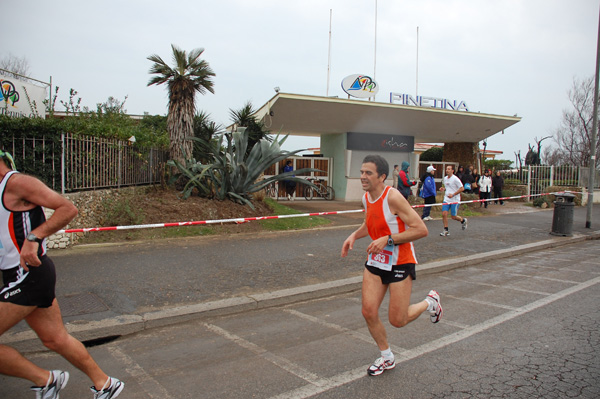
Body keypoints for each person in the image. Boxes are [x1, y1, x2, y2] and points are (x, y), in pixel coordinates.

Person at [0, 149, 124, 399]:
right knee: (55, 339)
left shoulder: (17, 183)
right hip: (21, 276)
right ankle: (105, 384)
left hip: (29, 274)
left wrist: (35, 237)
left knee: (55, 338)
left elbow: (67, 208)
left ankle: (45, 379)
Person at [341, 155, 442, 377]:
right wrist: (354, 236)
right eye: (362, 172)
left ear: (382, 177)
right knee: (368, 311)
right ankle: (387, 357)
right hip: (376, 261)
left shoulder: (393, 197)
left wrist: (387, 240)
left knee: (398, 320)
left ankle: (430, 302)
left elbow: (421, 229)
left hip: (400, 261)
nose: (362, 177)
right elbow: (370, 223)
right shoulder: (367, 198)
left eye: (368, 173)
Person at [439, 165, 468, 236]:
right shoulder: (445, 178)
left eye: (449, 169)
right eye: (446, 169)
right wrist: (443, 189)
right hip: (446, 199)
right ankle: (446, 230)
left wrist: (453, 194)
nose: (447, 170)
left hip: (455, 200)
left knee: (453, 217)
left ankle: (463, 220)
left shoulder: (455, 179)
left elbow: (462, 188)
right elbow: (447, 187)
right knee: (444, 214)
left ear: (452, 171)